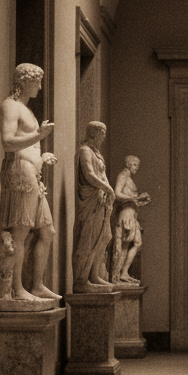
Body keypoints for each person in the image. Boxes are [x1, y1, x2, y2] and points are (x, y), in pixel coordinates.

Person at [0, 63, 60, 302]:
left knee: (47, 231)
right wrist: (38, 135)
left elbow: (28, 144)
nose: (40, 88)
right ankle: (17, 289)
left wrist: (42, 157)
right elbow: (7, 142)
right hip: (19, 171)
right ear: (23, 82)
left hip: (32, 173)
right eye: (36, 82)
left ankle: (37, 285)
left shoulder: (25, 109)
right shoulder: (10, 106)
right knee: (20, 233)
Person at [71, 121, 116, 292]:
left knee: (104, 236)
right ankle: (81, 280)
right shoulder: (85, 151)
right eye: (101, 132)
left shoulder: (97, 153)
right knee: (89, 237)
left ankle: (94, 275)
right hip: (90, 201)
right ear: (93, 133)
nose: (103, 135)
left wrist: (107, 191)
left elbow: (102, 174)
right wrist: (107, 188)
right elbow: (89, 174)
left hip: (101, 200)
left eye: (104, 132)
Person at [111, 155, 150, 284]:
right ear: (128, 164)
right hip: (126, 214)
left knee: (136, 243)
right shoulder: (123, 176)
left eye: (138, 165)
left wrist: (141, 200)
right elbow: (117, 194)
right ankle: (118, 274)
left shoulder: (129, 178)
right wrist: (136, 198)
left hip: (132, 213)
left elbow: (130, 199)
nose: (136, 167)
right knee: (125, 244)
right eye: (134, 164)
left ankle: (123, 273)